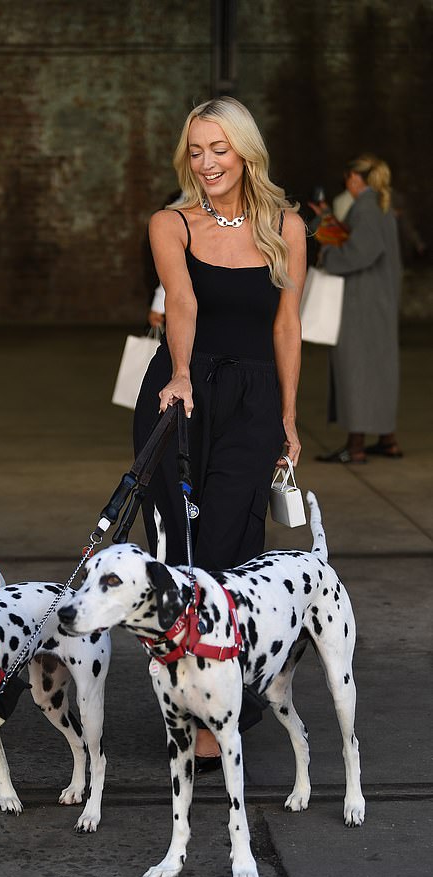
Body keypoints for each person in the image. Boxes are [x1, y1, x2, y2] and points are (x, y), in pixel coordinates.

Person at [133, 97, 306, 770]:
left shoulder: (286, 227)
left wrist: (289, 416)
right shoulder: (170, 222)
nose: (206, 163)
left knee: (230, 544)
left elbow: (286, 326)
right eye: (196, 151)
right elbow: (183, 300)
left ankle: (223, 704)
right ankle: (184, 698)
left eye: (219, 150)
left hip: (255, 399)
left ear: (246, 154)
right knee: (176, 550)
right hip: (181, 396)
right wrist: (179, 373)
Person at [312, 155, 403, 463]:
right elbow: (360, 241)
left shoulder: (365, 207)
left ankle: (356, 447)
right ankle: (387, 439)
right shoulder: (378, 205)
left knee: (356, 369)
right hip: (378, 300)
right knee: (378, 370)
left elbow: (360, 251)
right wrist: (328, 218)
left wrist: (328, 257)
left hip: (362, 303)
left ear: (355, 178)